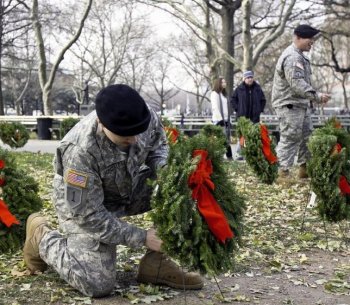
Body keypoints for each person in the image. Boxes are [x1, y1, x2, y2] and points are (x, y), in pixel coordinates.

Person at [23, 84, 203, 297]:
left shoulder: (143, 116)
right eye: (125, 136)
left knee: (186, 182)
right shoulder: (79, 151)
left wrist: (164, 170)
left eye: (137, 132)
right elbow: (89, 216)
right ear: (101, 123)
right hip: (87, 207)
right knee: (96, 283)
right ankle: (41, 237)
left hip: (129, 187)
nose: (134, 139)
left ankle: (156, 262)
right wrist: (142, 237)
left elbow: (159, 147)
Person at [271, 24, 331, 182]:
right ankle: (282, 173)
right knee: (290, 136)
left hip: (300, 105)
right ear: (297, 37)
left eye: (312, 39)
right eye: (309, 39)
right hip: (289, 105)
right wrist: (316, 96)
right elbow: (297, 84)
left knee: (306, 137)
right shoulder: (292, 57)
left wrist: (312, 98)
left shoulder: (300, 55)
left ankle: (304, 170)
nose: (311, 42)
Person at [231, 70, 266, 160]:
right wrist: (238, 109)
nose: (250, 79)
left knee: (254, 135)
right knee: (243, 135)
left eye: (251, 77)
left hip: (254, 117)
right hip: (243, 117)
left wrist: (259, 110)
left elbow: (263, 100)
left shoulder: (257, 88)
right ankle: (240, 154)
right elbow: (233, 100)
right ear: (244, 79)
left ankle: (252, 154)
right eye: (247, 78)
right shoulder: (239, 89)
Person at [210, 77, 233, 160]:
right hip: (218, 120)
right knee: (221, 139)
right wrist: (220, 120)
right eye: (222, 82)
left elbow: (226, 108)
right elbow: (215, 108)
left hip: (226, 119)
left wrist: (228, 120)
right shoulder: (214, 94)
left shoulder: (223, 94)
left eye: (225, 82)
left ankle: (228, 156)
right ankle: (223, 156)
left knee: (226, 138)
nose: (224, 84)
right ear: (218, 84)